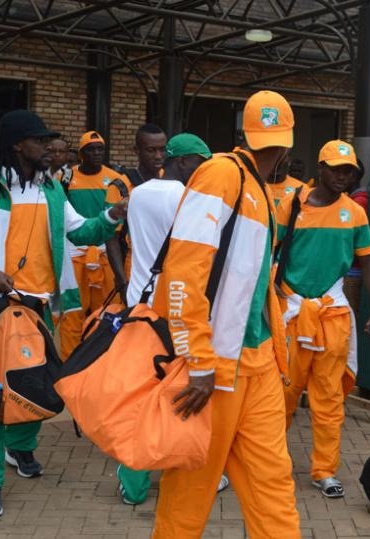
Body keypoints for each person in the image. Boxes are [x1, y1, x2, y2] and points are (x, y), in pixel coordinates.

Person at [0, 110, 126, 519]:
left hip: (38, 309)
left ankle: (20, 448)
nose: (49, 148)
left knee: (34, 384)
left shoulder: (51, 189)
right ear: (18, 145)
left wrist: (112, 216)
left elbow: (81, 231)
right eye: (40, 141)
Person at [150, 90, 300, 537]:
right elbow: (183, 273)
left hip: (259, 363)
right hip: (214, 368)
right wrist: (199, 361)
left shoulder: (260, 189)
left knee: (273, 486)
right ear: (289, 143)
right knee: (190, 490)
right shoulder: (221, 173)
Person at [277, 140, 370, 498]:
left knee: (328, 398)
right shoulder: (292, 205)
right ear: (320, 168)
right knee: (283, 394)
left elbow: (367, 262)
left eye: (349, 171)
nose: (343, 177)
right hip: (292, 312)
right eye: (336, 169)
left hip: (333, 313)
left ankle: (324, 470)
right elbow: (268, 253)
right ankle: (271, 462)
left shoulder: (354, 214)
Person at [115, 132, 213, 506]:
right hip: (176, 306)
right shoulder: (190, 198)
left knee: (142, 392)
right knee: (181, 388)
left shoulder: (138, 194)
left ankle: (132, 480)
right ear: (183, 161)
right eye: (200, 163)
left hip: (139, 305)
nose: (204, 172)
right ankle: (180, 466)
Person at [59, 131, 127, 357]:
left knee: (107, 309)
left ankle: (101, 358)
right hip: (74, 252)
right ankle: (69, 361)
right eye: (91, 149)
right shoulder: (66, 178)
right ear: (81, 153)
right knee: (73, 311)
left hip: (105, 252)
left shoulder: (116, 179)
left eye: (100, 149)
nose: (96, 153)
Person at [105, 124, 168, 300]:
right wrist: (122, 281)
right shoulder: (120, 187)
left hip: (167, 265)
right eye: (151, 150)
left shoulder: (171, 180)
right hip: (134, 266)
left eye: (162, 150)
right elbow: (111, 238)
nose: (158, 156)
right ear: (136, 151)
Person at [343, 158, 369, 314]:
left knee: (348, 317)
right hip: (350, 269)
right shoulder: (351, 199)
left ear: (353, 177)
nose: (339, 177)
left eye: (344, 172)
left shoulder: (359, 203)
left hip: (353, 271)